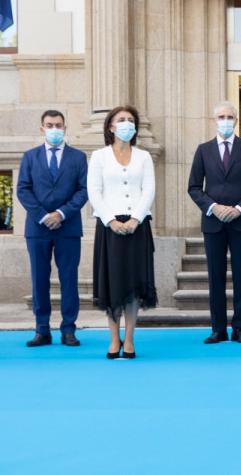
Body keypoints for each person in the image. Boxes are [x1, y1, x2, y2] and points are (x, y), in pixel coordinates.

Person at [187, 101, 241, 344]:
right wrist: (214, 207)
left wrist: (239, 209)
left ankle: (239, 328)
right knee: (215, 276)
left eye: (230, 117)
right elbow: (194, 187)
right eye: (221, 117)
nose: (226, 121)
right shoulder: (203, 149)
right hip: (213, 223)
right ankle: (218, 329)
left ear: (236, 121)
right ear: (214, 121)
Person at [89, 105, 157, 360]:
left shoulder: (143, 156)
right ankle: (113, 338)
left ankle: (129, 339)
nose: (127, 123)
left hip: (137, 227)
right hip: (110, 229)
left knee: (133, 285)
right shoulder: (99, 156)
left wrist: (136, 219)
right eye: (122, 120)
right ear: (111, 126)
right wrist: (111, 221)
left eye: (131, 120)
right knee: (113, 283)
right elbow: (94, 191)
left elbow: (148, 189)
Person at [16, 110, 88, 348]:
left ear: (65, 128)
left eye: (58, 125)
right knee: (39, 280)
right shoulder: (30, 157)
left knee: (69, 279)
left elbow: (83, 190)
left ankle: (68, 329)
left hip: (68, 227)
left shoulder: (78, 157)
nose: (54, 129)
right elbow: (23, 189)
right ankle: (42, 329)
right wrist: (44, 215)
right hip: (38, 229)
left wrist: (61, 213)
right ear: (42, 129)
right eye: (50, 125)